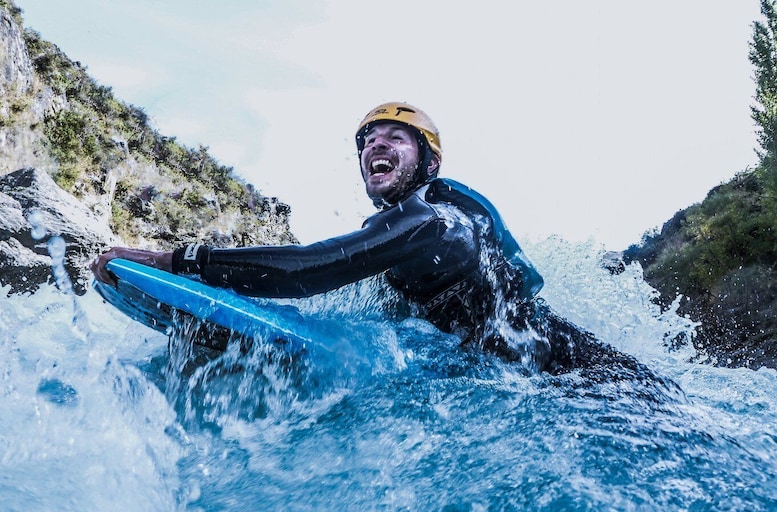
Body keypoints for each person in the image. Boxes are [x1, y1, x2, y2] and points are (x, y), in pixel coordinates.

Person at [92, 102, 657, 379]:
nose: (375, 146)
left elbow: (306, 271)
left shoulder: (432, 222)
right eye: (367, 141)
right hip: (531, 375)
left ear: (428, 160)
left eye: (395, 137)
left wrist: (177, 260)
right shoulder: (407, 230)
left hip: (588, 378)